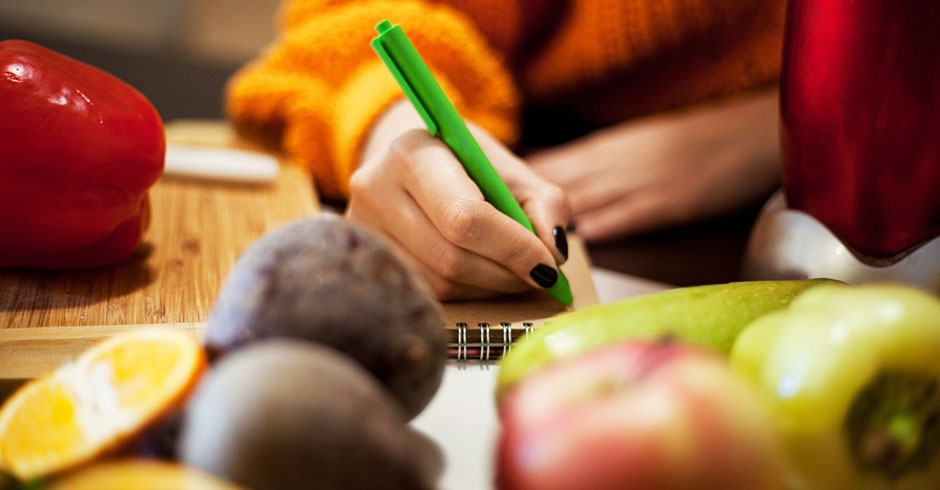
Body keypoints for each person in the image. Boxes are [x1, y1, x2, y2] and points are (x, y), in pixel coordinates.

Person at [227, 0, 786, 300]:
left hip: (809, 207)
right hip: (529, 138)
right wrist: (387, 120)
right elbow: (349, 21)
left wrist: (785, 128)